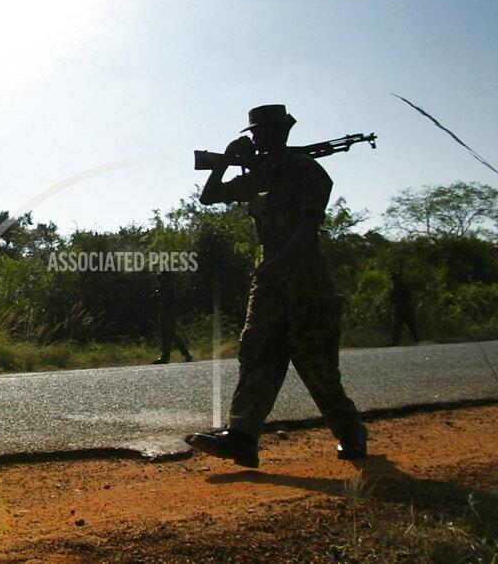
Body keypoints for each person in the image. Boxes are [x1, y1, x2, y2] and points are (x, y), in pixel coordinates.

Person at [184, 104, 367, 468]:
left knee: (315, 362)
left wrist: (276, 266)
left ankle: (350, 432)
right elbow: (209, 196)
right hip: (268, 277)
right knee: (256, 355)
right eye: (255, 133)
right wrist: (225, 160)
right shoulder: (261, 174)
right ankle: (242, 438)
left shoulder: (306, 171)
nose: (260, 138)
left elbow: (307, 229)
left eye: (266, 131)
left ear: (283, 132)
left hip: (305, 279)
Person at [152, 271, 194, 364]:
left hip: (169, 312)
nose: (160, 277)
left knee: (172, 334)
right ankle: (165, 357)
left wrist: (160, 296)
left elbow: (168, 300)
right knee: (165, 334)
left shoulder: (169, 287)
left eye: (162, 276)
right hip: (163, 312)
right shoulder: (161, 287)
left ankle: (186, 354)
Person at [389, 269, 419, 346]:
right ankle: (395, 342)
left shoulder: (404, 286)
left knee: (411, 325)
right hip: (398, 309)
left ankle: (416, 340)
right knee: (397, 326)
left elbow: (409, 297)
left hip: (406, 309)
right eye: (394, 278)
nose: (395, 280)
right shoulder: (393, 288)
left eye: (396, 278)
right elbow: (391, 300)